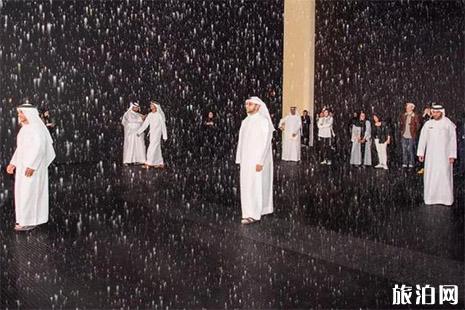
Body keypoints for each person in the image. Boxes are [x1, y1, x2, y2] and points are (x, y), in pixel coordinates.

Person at [6, 103, 56, 231]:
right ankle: (23, 219)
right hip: (23, 167)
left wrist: (32, 166)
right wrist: (13, 163)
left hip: (33, 169)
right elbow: (20, 149)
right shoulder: (25, 129)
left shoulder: (36, 129)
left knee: (30, 193)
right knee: (23, 193)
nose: (19, 115)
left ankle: (30, 220)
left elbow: (40, 148)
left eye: (21, 113)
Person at [235, 96, 274, 224]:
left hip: (256, 161)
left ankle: (254, 214)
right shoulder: (245, 121)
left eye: (250, 104)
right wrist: (239, 158)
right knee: (246, 186)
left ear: (257, 106)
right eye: (246, 104)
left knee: (255, 185)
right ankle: (247, 212)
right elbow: (241, 141)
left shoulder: (263, 122)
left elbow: (266, 142)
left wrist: (261, 161)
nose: (247, 106)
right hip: (246, 160)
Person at [417, 105, 456, 206]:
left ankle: (446, 199)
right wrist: (421, 152)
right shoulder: (428, 124)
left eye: (437, 112)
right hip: (431, 157)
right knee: (431, 176)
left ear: (441, 112)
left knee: (445, 176)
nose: (435, 114)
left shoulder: (448, 124)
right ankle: (430, 198)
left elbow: (453, 140)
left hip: (444, 156)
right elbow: (423, 139)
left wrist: (452, 154)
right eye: (433, 112)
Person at [137, 101, 167, 169]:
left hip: (157, 134)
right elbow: (145, 124)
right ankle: (160, 162)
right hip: (152, 134)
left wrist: (164, 135)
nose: (150, 106)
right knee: (157, 148)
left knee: (152, 147)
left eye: (152, 105)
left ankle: (149, 163)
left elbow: (163, 125)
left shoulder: (159, 115)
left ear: (155, 106)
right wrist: (139, 131)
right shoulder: (150, 114)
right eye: (150, 105)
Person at [400, 102, 420, 168]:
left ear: (412, 108)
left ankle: (412, 162)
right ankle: (405, 162)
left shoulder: (415, 116)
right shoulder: (404, 115)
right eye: (406, 107)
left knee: (411, 149)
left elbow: (418, 125)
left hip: (411, 135)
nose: (407, 109)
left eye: (408, 107)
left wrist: (414, 130)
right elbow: (401, 124)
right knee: (404, 149)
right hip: (404, 135)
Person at [417, 106, 432, 175]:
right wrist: (424, 115)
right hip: (424, 138)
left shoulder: (433, 118)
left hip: (432, 139)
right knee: (423, 153)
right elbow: (419, 124)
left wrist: (430, 115)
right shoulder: (424, 118)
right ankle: (423, 168)